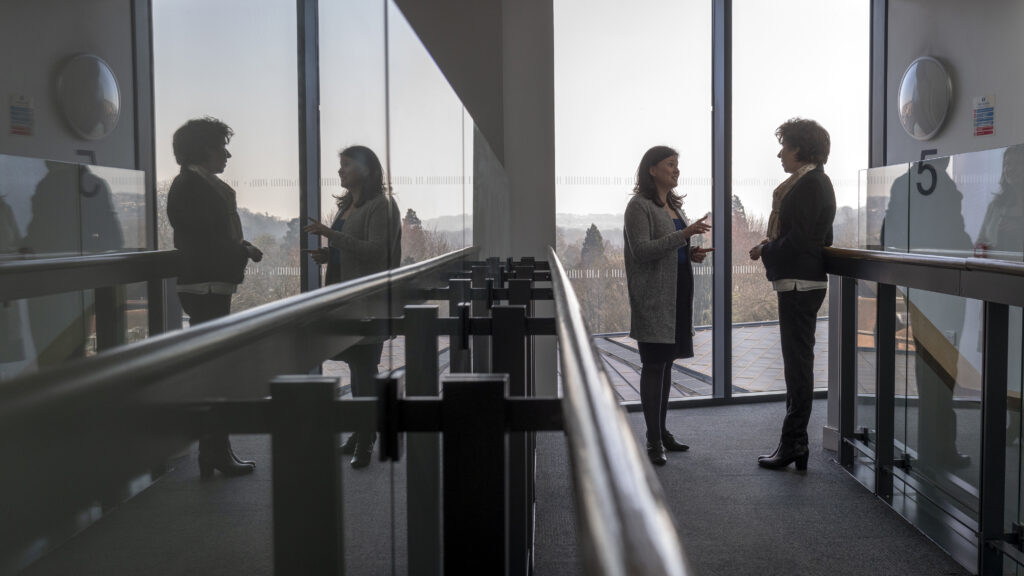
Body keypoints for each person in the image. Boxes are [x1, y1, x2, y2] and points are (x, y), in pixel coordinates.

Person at [167, 116, 262, 479]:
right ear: (203, 149)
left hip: (209, 285)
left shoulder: (195, 184)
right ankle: (215, 451)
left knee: (215, 370)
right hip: (205, 286)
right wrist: (239, 251)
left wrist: (239, 247)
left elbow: (208, 235)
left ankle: (216, 451)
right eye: (221, 146)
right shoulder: (190, 186)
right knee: (216, 372)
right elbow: (204, 239)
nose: (227, 154)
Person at [303, 145, 401, 469]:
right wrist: (330, 255)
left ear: (367, 169)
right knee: (357, 368)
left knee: (364, 370)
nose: (340, 171)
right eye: (340, 165)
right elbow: (351, 251)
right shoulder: (348, 206)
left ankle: (366, 437)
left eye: (346, 165)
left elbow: (375, 252)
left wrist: (330, 235)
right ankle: (362, 433)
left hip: (368, 301)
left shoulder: (381, 206)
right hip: (346, 299)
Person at [749, 118, 835, 471]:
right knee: (797, 364)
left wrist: (767, 251)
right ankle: (794, 443)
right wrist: (771, 245)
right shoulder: (812, 182)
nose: (780, 153)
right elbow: (814, 236)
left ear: (801, 149)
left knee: (797, 366)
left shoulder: (811, 185)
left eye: (785, 146)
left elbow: (801, 240)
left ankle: (795, 442)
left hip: (800, 283)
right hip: (801, 282)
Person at [623, 145, 712, 466]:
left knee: (668, 364)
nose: (676, 170)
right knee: (654, 365)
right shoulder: (639, 206)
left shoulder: (673, 206)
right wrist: (685, 235)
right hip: (653, 299)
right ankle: (652, 440)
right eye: (670, 164)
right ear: (652, 169)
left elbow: (672, 250)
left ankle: (661, 431)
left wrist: (691, 253)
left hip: (677, 296)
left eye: (678, 165)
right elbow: (643, 251)